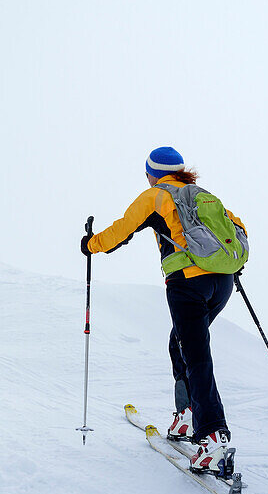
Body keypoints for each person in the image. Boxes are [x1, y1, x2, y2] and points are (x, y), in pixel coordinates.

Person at [81, 146, 247, 473]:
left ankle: (213, 436)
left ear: (152, 174)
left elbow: (121, 229)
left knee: (196, 355)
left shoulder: (155, 196)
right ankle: (186, 416)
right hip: (223, 283)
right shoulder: (201, 194)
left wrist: (91, 244)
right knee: (180, 343)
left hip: (187, 284)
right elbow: (238, 227)